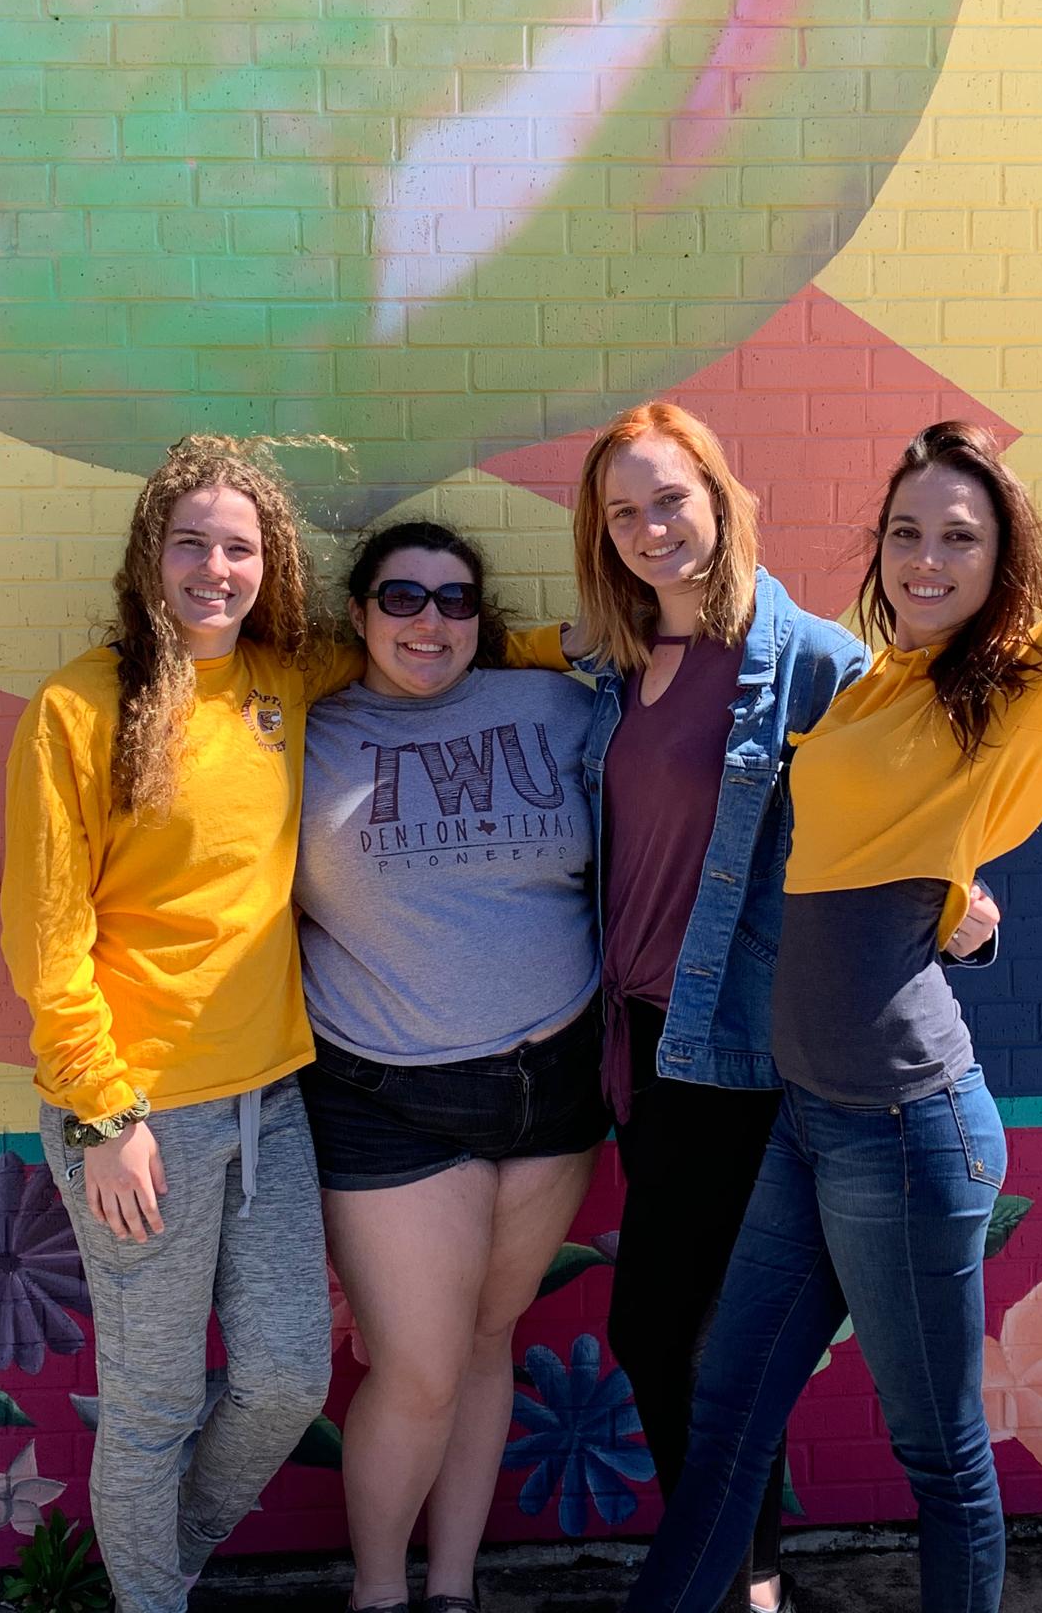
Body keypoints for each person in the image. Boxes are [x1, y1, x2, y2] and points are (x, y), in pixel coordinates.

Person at [623, 389, 1042, 1613]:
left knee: (938, 1454)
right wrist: (954, 903)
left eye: (959, 535)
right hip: (806, 1117)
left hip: (907, 1131)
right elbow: (874, 857)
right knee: (725, 1412)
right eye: (906, 532)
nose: (928, 557)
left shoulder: (1018, 686)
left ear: (1000, 560)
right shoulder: (881, 684)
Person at [0, 443, 570, 1613]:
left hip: (276, 1099)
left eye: (241, 548)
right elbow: (47, 946)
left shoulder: (283, 679)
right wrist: (106, 1113)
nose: (217, 568)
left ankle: (172, 1561)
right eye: (193, 542)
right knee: (154, 1403)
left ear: (273, 567)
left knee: (281, 1384)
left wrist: (582, 646)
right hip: (137, 1114)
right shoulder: (77, 709)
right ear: (150, 554)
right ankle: (151, 1598)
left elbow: (431, 644)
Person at [570, 402, 1000, 1613]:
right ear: (601, 536)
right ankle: (744, 1579)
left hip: (746, 1050)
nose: (654, 528)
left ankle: (749, 1584)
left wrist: (960, 902)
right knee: (702, 1349)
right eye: (626, 511)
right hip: (639, 1046)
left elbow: (913, 795)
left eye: (673, 500)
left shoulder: (812, 660)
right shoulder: (604, 665)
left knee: (668, 1337)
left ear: (720, 499)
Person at [293, 519, 608, 1613]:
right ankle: (379, 1595)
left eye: (456, 600)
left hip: (556, 1086)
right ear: (359, 615)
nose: (430, 621)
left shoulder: (558, 710)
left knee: (485, 1343)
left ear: (486, 617)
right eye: (403, 597)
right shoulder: (302, 736)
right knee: (417, 1370)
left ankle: (455, 1591)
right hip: (393, 1097)